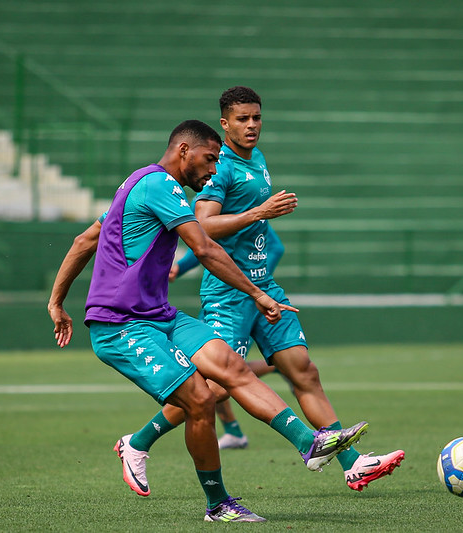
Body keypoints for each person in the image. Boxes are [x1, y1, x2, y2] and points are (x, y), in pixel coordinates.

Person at [47, 119, 368, 523]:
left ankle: (311, 444)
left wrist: (56, 302)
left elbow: (85, 240)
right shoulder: (161, 185)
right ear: (184, 150)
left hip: (158, 315)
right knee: (199, 398)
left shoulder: (136, 182)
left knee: (230, 369)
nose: (214, 169)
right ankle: (218, 506)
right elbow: (203, 248)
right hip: (120, 325)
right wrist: (256, 293)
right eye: (210, 158)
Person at [120, 88, 405, 497]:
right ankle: (138, 442)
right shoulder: (219, 168)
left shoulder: (259, 160)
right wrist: (260, 212)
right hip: (229, 292)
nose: (251, 125)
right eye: (242, 119)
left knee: (303, 370)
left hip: (263, 286)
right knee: (215, 387)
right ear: (225, 123)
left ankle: (352, 463)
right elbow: (203, 226)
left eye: (256, 118)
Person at [169, 225, 286, 449]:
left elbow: (275, 248)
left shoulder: (240, 204)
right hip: (217, 301)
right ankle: (233, 430)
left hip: (236, 303)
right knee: (211, 368)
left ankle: (140, 441)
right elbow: (203, 247)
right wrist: (180, 268)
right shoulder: (206, 204)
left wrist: (253, 287)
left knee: (218, 373)